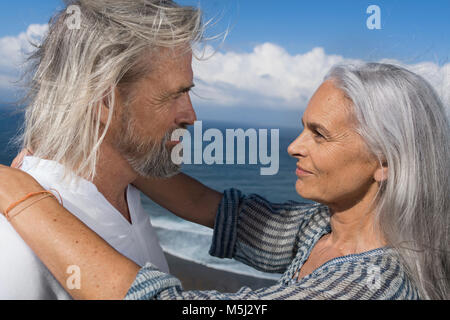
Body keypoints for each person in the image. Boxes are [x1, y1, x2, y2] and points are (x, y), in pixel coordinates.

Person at [1, 63, 448, 300]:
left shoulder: (371, 286)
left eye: (320, 135)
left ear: (384, 161)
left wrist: (25, 199)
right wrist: (116, 147)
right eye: (302, 127)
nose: (294, 146)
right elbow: (214, 208)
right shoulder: (324, 229)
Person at [0, 0, 207, 299]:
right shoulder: (14, 248)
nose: (191, 116)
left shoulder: (126, 194)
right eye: (174, 95)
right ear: (103, 100)